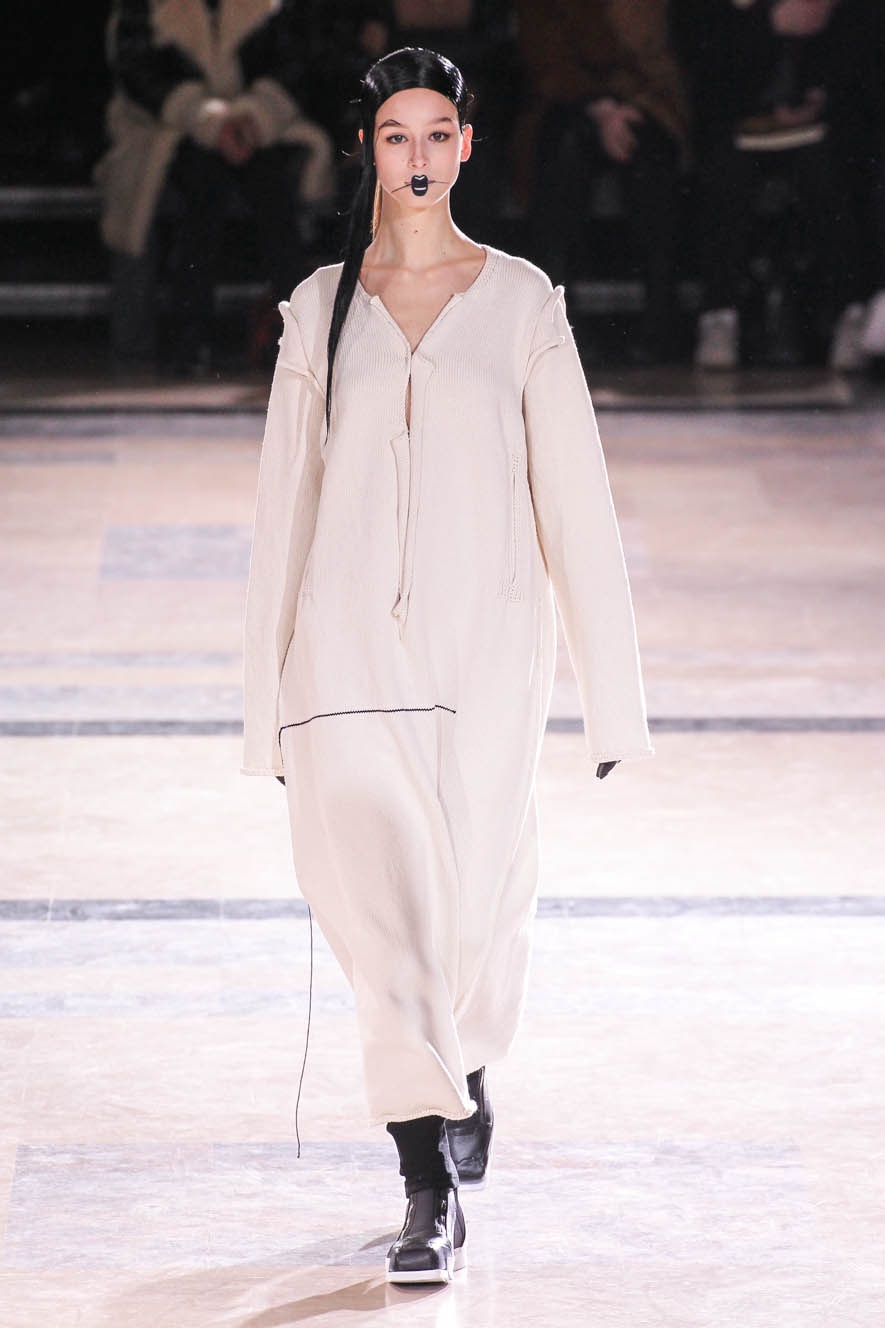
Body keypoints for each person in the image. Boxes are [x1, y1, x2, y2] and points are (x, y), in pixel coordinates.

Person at [242, 46, 652, 1284]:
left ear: (467, 145)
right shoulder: (321, 307)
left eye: (437, 134)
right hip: (346, 652)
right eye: (394, 135)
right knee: (382, 909)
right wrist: (265, 703)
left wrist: (612, 697)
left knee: (475, 906)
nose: (416, 157)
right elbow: (284, 508)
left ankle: (465, 1061)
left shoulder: (522, 303)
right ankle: (425, 1180)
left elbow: (575, 499)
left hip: (487, 648)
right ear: (367, 150)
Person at [95, 0, 334, 373]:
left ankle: (303, 339)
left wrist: (252, 117)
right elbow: (139, 72)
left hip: (260, 129)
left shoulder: (274, 8)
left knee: (272, 185)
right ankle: (191, 339)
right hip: (167, 130)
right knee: (201, 183)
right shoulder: (143, 7)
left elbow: (294, 64)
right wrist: (207, 121)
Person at [673, 0, 869, 371]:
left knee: (831, 174)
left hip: (821, 118)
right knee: (723, 175)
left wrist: (818, 97)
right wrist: (769, 22)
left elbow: (854, 41)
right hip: (735, 118)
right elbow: (700, 53)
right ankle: (720, 313)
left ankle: (850, 311)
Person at [516, 0, 690, 364]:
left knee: (651, 161)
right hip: (565, 99)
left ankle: (660, 322)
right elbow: (544, 50)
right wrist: (600, 107)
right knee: (563, 155)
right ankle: (555, 323)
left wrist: (627, 107)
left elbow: (666, 55)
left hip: (649, 100)